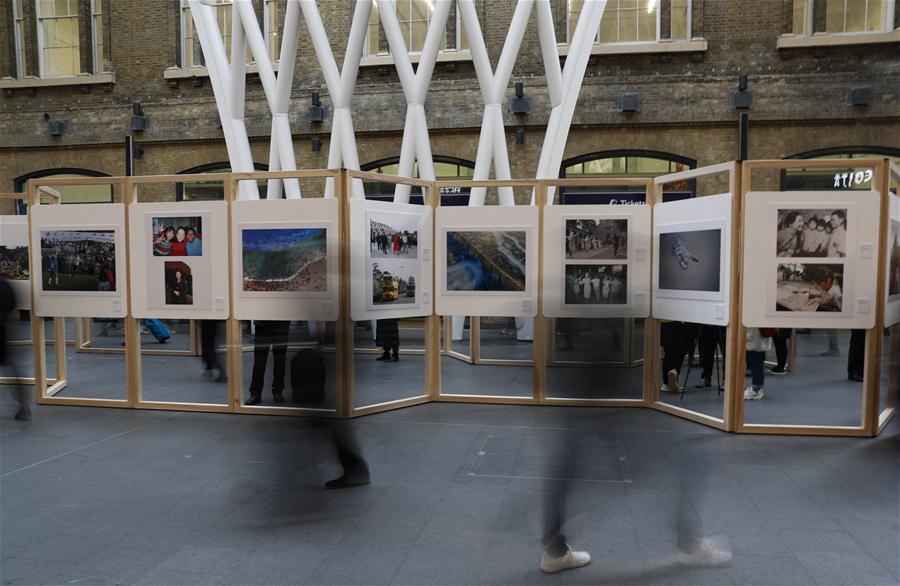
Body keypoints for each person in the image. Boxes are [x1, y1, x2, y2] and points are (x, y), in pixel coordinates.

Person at [0, 277, 30, 420]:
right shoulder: (4, 283)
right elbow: (12, 304)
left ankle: (23, 405)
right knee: (11, 367)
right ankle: (23, 404)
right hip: (2, 329)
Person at [246, 320, 291, 405]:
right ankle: (256, 393)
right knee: (259, 361)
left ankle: (277, 391)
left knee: (279, 361)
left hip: (281, 323)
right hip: (263, 322)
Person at [744, 328, 771, 400]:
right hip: (755, 332)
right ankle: (757, 387)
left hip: (755, 332)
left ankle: (757, 388)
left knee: (755, 360)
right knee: (756, 360)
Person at [660, 320, 687, 393]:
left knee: (672, 353)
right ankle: (667, 383)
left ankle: (671, 382)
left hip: (669, 322)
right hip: (673, 321)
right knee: (672, 354)